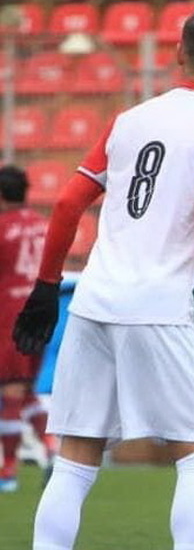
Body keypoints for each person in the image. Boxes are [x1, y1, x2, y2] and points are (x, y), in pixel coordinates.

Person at [11, 8, 194, 550]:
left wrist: (46, 288)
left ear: (178, 53)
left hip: (94, 301)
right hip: (158, 306)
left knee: (75, 458)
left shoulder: (129, 119)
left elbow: (68, 203)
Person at [0, 166, 50, 493]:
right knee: (27, 389)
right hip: (41, 313)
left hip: (10, 315)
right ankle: (52, 447)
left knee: (12, 391)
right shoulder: (43, 225)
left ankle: (8, 470)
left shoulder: (2, 227)